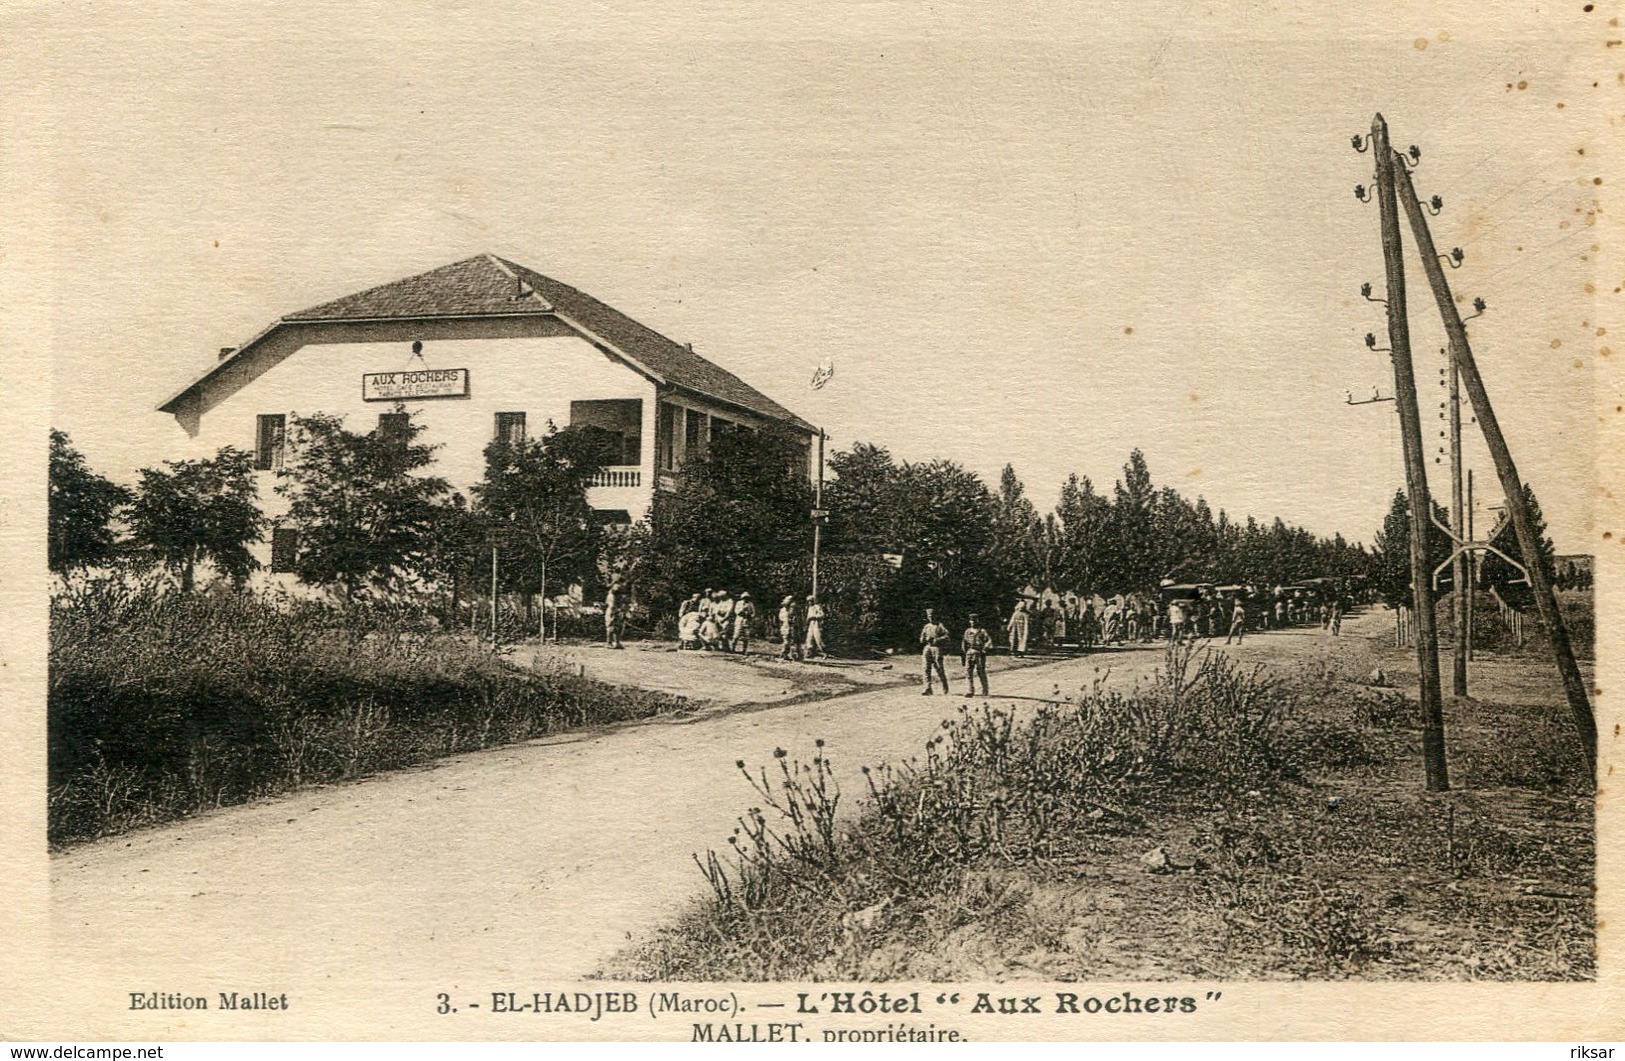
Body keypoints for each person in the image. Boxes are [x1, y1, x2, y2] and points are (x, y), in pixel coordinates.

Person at [919, 608, 950, 695]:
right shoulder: (926, 626)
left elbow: (947, 636)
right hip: (928, 647)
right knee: (926, 668)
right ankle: (927, 688)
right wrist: (925, 639)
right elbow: (921, 638)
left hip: (937, 648)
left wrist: (937, 639)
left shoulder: (940, 626)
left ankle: (944, 685)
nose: (931, 618)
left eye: (932, 616)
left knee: (939, 668)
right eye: (929, 616)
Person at [961, 613, 992, 697]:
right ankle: (970, 690)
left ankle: (985, 690)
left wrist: (984, 649)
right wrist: (964, 652)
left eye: (974, 620)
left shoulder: (982, 631)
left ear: (977, 621)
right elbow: (964, 642)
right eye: (971, 621)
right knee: (968, 672)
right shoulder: (967, 631)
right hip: (970, 652)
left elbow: (989, 641)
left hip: (979, 653)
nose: (972, 622)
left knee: (981, 671)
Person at [778, 595, 802, 661]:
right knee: (786, 642)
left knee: (793, 642)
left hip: (792, 628)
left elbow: (796, 620)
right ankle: (784, 654)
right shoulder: (782, 611)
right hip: (785, 628)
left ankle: (793, 655)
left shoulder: (793, 611)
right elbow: (781, 619)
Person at [603, 582, 625, 649]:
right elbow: (612, 605)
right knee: (611, 627)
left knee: (618, 628)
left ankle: (617, 642)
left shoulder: (615, 596)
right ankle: (609, 643)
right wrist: (616, 612)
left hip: (615, 611)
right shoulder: (612, 596)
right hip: (612, 612)